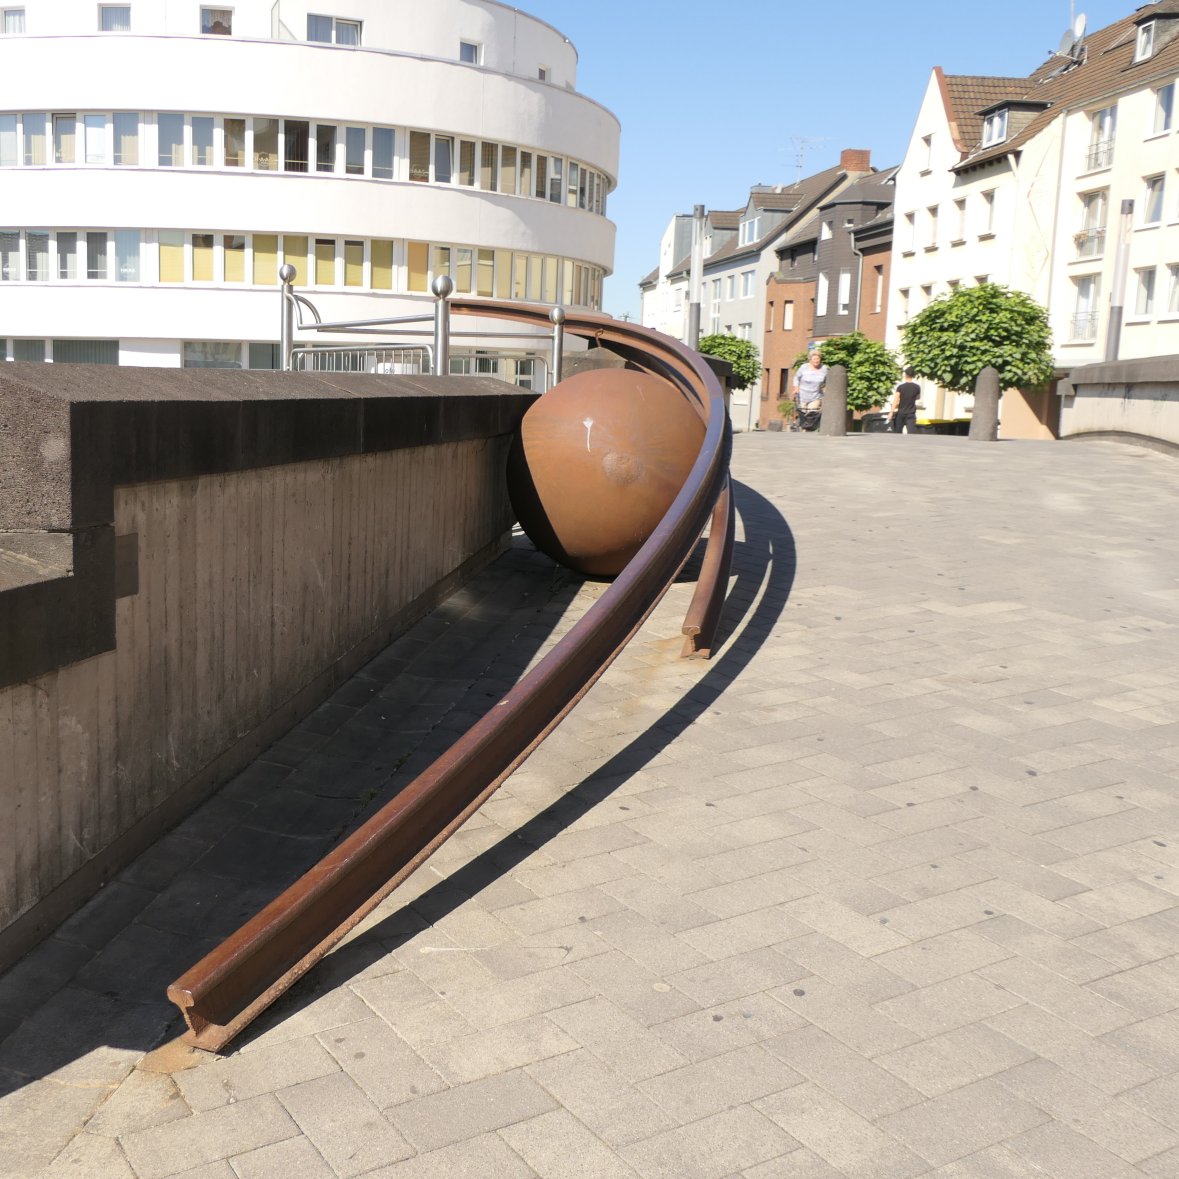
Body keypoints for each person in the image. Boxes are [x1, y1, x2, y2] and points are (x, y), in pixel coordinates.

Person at [793, 349, 827, 427]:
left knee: (812, 414)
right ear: (810, 360)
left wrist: (825, 389)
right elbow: (796, 378)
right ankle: (803, 429)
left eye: (818, 358)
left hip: (816, 396)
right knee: (803, 414)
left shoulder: (824, 369)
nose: (816, 361)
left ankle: (808, 430)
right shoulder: (804, 367)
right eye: (814, 359)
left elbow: (827, 380)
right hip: (802, 396)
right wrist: (796, 387)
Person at [890, 367, 920, 434]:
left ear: (905, 375)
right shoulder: (917, 387)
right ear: (913, 375)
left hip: (901, 413)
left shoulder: (900, 387)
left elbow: (896, 400)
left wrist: (891, 412)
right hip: (911, 413)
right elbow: (918, 398)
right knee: (911, 434)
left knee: (898, 433)